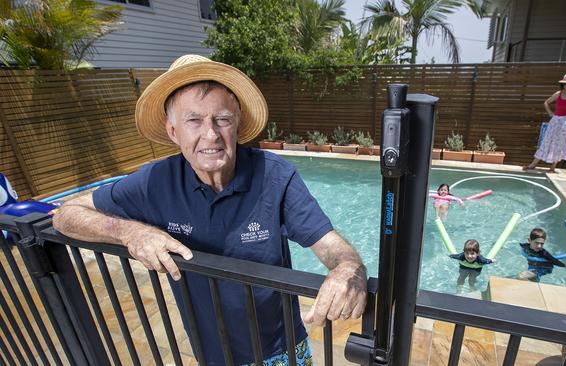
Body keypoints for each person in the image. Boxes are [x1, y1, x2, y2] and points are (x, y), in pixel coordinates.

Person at [52, 54, 367, 365]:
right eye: (194, 120)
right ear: (173, 132)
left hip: (281, 349)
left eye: (222, 119)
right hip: (211, 355)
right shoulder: (156, 182)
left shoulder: (274, 176)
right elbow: (66, 214)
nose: (211, 134)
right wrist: (131, 233)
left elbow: (331, 245)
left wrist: (346, 271)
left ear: (237, 123)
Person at [524, 72, 566, 173]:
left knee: (560, 143)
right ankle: (533, 165)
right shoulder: (558, 94)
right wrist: (551, 113)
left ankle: (552, 167)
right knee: (547, 141)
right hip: (555, 120)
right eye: (564, 83)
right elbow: (546, 102)